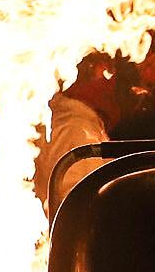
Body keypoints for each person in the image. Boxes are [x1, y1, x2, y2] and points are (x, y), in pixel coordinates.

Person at [35, 53, 122, 215]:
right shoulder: (77, 129)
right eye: (106, 70)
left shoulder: (59, 119)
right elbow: (77, 204)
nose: (112, 83)